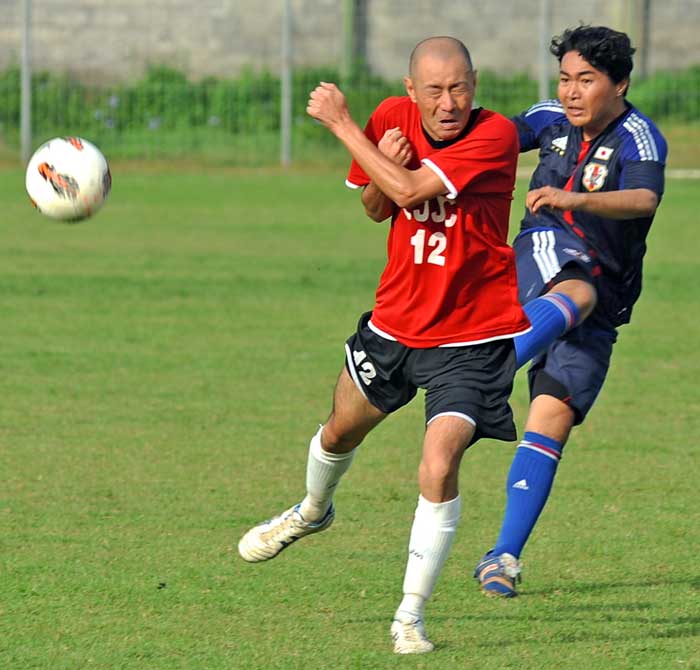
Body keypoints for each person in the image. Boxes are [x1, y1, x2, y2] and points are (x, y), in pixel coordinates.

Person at [238, 36, 530, 653]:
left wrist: (344, 126)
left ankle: (409, 617)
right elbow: (378, 206)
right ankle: (313, 510)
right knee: (340, 430)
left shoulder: (496, 134)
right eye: (434, 91)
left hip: (471, 336)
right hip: (396, 323)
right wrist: (375, 149)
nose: (448, 103)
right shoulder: (390, 120)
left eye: (459, 88)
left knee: (438, 464)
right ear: (409, 90)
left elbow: (406, 192)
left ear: (474, 84)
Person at [473, 25, 668, 597]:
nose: (571, 91)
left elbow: (644, 199)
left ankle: (503, 555)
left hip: (605, 301)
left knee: (551, 419)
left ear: (620, 83)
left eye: (586, 80)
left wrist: (576, 196)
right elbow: (497, 138)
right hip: (544, 252)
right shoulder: (549, 118)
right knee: (573, 289)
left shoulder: (640, 137)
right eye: (565, 78)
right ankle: (491, 369)